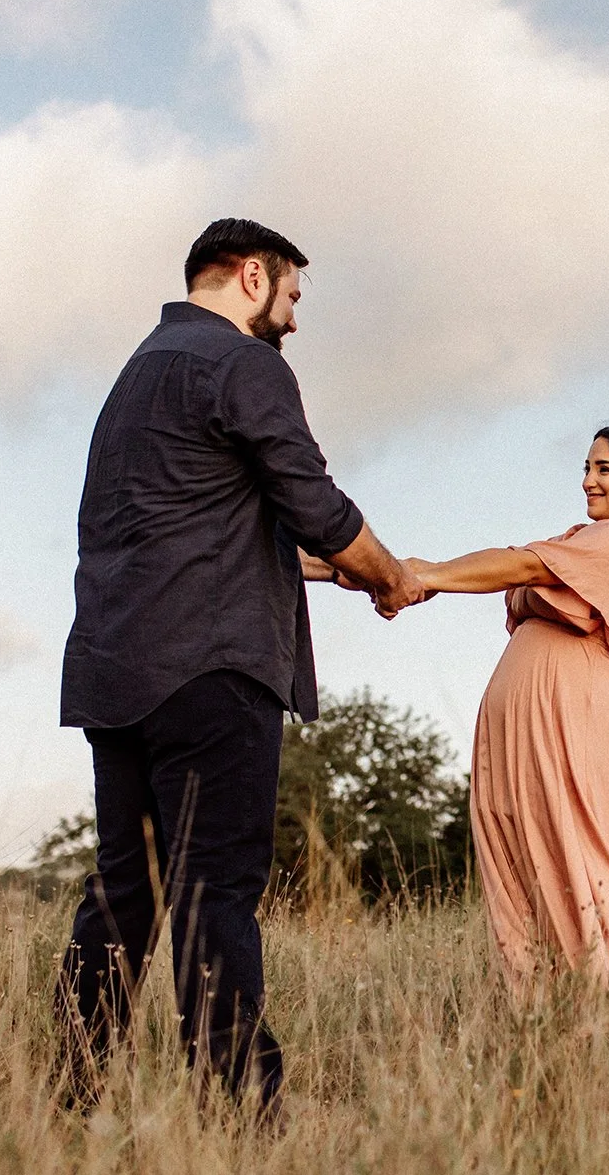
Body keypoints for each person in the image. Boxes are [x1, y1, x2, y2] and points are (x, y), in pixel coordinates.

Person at [54, 218, 424, 1113]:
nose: (293, 320)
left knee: (125, 893)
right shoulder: (242, 363)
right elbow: (313, 499)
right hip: (214, 670)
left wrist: (325, 567)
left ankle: (74, 1094)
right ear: (252, 275)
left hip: (116, 671)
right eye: (292, 296)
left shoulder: (133, 379)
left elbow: (191, 525)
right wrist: (389, 575)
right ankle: (240, 1113)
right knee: (216, 889)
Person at [407, 423, 609, 991]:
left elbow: (523, 567)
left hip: (573, 724)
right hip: (538, 726)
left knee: (588, 854)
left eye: (604, 470)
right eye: (587, 468)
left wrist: (426, 574)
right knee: (535, 858)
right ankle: (553, 1012)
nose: (588, 481)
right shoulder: (593, 539)